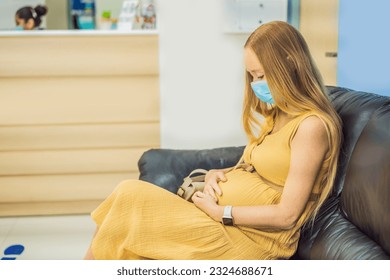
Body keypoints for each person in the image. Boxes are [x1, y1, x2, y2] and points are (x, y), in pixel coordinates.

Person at [84, 21, 342, 260]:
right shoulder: (279, 113)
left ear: (289, 63)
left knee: (129, 198)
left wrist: (222, 212)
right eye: (251, 75)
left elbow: (287, 215)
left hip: (252, 238)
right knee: (123, 205)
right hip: (225, 224)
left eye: (261, 75)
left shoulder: (311, 126)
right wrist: (219, 173)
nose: (255, 84)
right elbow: (261, 168)